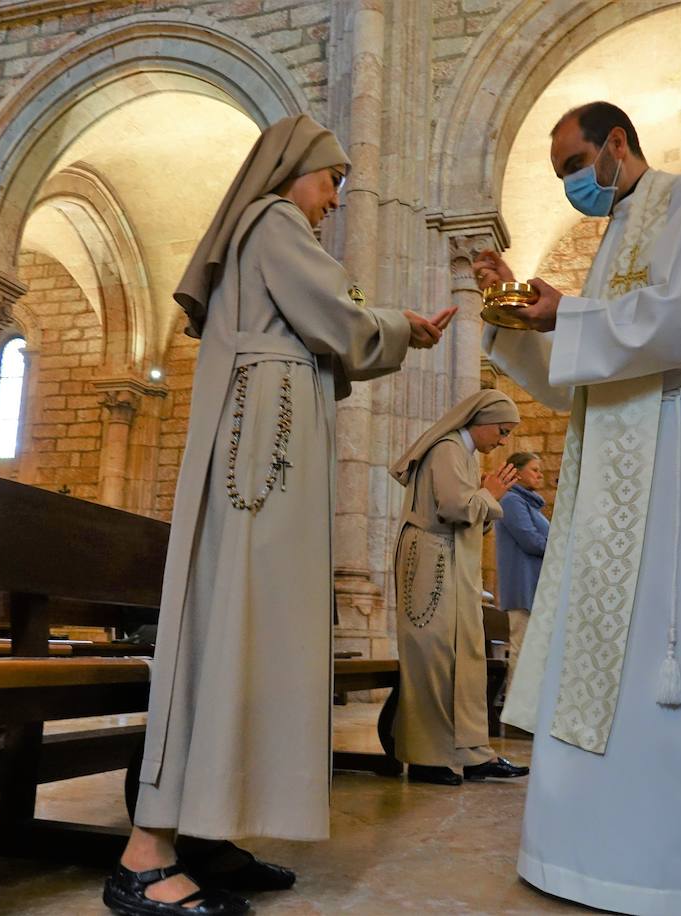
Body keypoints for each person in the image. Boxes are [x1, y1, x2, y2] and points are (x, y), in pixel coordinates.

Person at [105, 114, 456, 916]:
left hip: (269, 451)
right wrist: (406, 328)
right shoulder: (273, 220)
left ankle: (206, 830)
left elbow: (332, 324)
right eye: (332, 181)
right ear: (294, 169)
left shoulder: (275, 232)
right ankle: (147, 853)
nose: (334, 201)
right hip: (256, 463)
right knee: (232, 629)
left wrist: (387, 329)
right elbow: (343, 319)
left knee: (256, 635)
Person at [475, 101, 681, 913]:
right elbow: (583, 369)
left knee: (672, 644)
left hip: (679, 444)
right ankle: (586, 854)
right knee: (600, 651)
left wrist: (568, 312)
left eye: (575, 164)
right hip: (612, 455)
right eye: (560, 175)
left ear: (617, 143)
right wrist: (512, 318)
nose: (572, 183)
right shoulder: (612, 238)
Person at [388, 389, 532, 787]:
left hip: (449, 560)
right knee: (433, 658)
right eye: (501, 431)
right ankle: (426, 758)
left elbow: (468, 513)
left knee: (462, 657)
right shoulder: (449, 449)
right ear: (481, 421)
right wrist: (491, 495)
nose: (503, 440)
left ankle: (471, 754)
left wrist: (486, 496)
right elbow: (455, 508)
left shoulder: (462, 454)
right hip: (432, 563)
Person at [493, 452, 548, 696]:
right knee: (523, 649)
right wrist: (560, 547)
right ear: (516, 471)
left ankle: (528, 708)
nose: (540, 475)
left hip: (535, 586)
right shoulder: (512, 501)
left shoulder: (529, 503)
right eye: (534, 469)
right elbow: (529, 541)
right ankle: (517, 711)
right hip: (522, 585)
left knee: (534, 651)